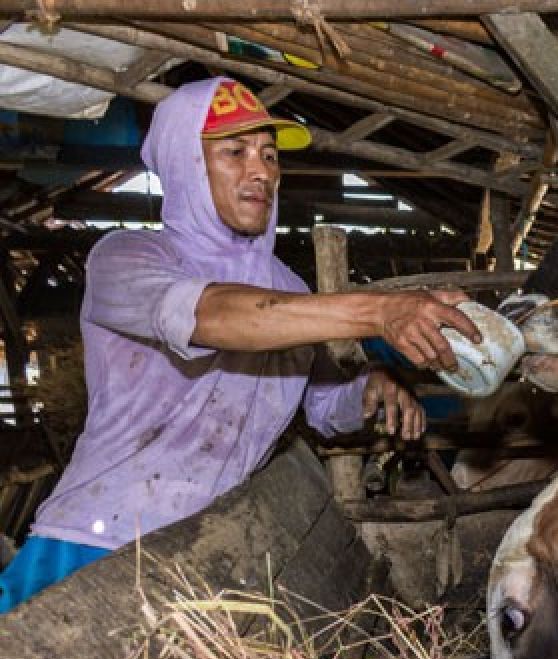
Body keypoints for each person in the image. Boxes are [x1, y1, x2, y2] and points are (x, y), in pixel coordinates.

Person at [0, 77, 481, 612]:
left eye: (270, 155)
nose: (262, 171)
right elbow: (208, 317)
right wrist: (378, 311)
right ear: (186, 163)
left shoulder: (289, 289)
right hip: (98, 539)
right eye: (235, 151)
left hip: (211, 551)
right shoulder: (128, 257)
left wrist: (369, 389)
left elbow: (323, 408)